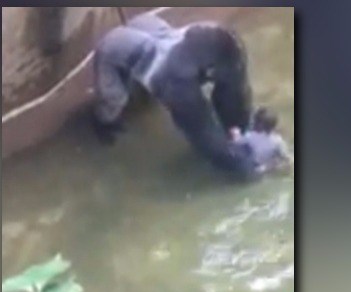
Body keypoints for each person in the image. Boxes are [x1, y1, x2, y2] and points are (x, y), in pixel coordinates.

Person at [92, 12, 262, 178]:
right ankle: (103, 125)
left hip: (149, 31)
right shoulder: (176, 78)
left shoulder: (220, 40)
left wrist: (241, 129)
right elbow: (201, 130)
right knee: (114, 100)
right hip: (112, 51)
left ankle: (141, 80)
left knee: (160, 61)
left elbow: (235, 94)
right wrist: (239, 164)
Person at [229, 108, 293, 175]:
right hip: (266, 166)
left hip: (254, 167)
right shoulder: (278, 140)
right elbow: (287, 157)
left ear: (259, 124)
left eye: (255, 121)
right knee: (277, 161)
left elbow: (236, 142)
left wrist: (235, 134)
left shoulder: (250, 136)